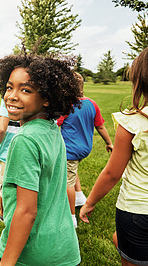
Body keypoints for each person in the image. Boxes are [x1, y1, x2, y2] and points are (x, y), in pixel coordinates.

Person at [0, 54, 81, 265]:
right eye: (9, 87)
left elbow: (26, 211)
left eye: (25, 90)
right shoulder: (52, 127)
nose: (12, 96)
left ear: (47, 98)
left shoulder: (25, 140)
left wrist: (7, 262)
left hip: (32, 255)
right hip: (63, 249)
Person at [80, 47, 148, 266]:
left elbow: (112, 173)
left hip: (136, 210)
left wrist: (89, 202)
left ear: (140, 80)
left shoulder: (133, 123)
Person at [56, 72, 113, 228]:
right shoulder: (92, 104)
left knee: (67, 182)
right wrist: (109, 143)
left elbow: (56, 124)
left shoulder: (67, 105)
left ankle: (71, 217)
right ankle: (80, 196)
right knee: (73, 171)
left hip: (70, 150)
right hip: (85, 149)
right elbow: (100, 125)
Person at [0, 99, 20, 221]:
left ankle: (3, 213)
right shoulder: (38, 96)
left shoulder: (8, 99)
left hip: (9, 152)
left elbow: (1, 128)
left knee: (6, 184)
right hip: (31, 151)